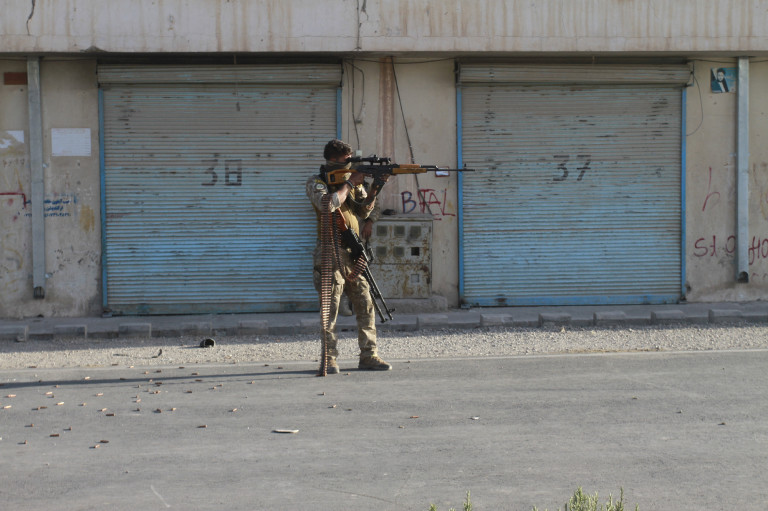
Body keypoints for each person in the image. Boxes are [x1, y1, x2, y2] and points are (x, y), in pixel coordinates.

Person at [306, 139, 392, 373]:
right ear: (333, 161)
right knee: (330, 307)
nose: (351, 164)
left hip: (353, 253)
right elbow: (329, 205)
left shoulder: (351, 183)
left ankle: (368, 355)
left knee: (365, 303)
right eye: (347, 161)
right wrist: (350, 183)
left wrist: (374, 188)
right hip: (329, 251)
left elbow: (364, 209)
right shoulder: (317, 183)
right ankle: (329, 358)